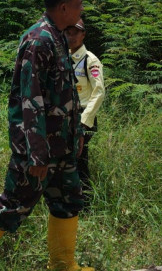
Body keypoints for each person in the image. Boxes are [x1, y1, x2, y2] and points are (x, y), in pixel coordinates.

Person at [0, 0, 95, 271]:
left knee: (68, 202)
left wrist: (78, 132)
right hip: (38, 152)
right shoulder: (38, 40)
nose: (82, 9)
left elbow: (66, 94)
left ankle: (63, 266)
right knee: (10, 207)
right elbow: (30, 99)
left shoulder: (58, 37)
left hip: (62, 147)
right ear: (64, 7)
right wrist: (37, 154)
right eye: (79, 4)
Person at [64, 20, 105, 205]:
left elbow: (99, 92)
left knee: (79, 160)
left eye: (75, 33)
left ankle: (85, 202)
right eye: (68, 32)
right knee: (66, 159)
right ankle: (68, 199)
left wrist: (84, 121)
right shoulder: (63, 57)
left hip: (83, 117)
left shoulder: (90, 60)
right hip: (66, 116)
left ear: (83, 35)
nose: (71, 37)